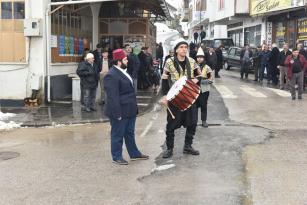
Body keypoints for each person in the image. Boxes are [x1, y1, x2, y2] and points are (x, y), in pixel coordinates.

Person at [103, 49, 149, 165]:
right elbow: (112, 97)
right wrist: (117, 114)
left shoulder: (124, 71)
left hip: (129, 110)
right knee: (117, 135)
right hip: (120, 112)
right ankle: (116, 157)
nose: (127, 61)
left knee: (129, 133)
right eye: (125, 59)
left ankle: (134, 154)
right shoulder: (111, 75)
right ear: (118, 61)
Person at [160, 40, 203, 158]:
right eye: (182, 47)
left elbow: (200, 74)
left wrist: (196, 80)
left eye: (186, 47)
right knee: (171, 125)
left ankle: (187, 146)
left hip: (189, 98)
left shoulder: (192, 61)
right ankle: (169, 149)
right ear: (177, 50)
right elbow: (164, 79)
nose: (184, 49)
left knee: (192, 123)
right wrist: (165, 96)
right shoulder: (169, 62)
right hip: (175, 99)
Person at [195, 48, 213, 128]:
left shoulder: (207, 68)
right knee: (194, 107)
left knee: (203, 105)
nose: (199, 59)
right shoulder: (193, 67)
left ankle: (204, 121)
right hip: (194, 90)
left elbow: (211, 79)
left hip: (204, 90)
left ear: (203, 58)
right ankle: (194, 121)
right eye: (198, 57)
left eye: (201, 57)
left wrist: (201, 81)